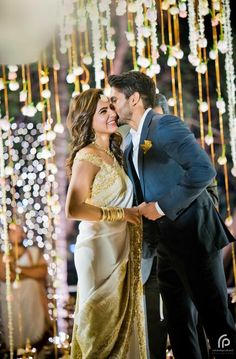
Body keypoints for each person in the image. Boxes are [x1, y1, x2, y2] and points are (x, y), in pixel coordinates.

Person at [108, 71, 236, 359]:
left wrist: (161, 207)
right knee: (178, 325)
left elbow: (203, 171)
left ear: (135, 99)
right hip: (164, 245)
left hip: (193, 239)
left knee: (217, 321)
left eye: (115, 99)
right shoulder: (132, 141)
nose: (112, 104)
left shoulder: (165, 125)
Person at [65, 88, 147, 358]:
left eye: (111, 107)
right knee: (98, 330)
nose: (113, 113)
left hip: (119, 247)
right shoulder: (86, 156)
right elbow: (74, 208)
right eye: (103, 111)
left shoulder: (114, 153)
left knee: (121, 326)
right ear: (87, 120)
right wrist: (121, 215)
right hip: (98, 250)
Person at [0, 223, 51, 351]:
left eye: (19, 230)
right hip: (11, 304)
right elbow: (5, 276)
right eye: (13, 231)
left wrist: (17, 269)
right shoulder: (2, 255)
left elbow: (41, 272)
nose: (17, 234)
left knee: (35, 340)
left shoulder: (34, 252)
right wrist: (30, 274)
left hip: (33, 306)